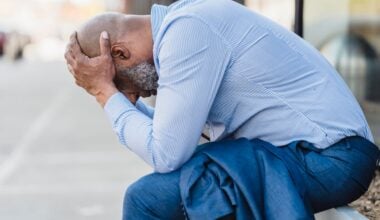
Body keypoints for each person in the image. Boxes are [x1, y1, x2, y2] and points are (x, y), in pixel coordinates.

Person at [64, 0, 380, 219]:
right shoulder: (186, 24)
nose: (132, 92)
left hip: (332, 159)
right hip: (306, 154)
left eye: (122, 82)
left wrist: (106, 94)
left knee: (147, 198)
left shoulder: (186, 33)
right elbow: (173, 139)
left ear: (119, 52)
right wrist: (117, 99)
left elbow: (165, 153)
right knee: (185, 187)